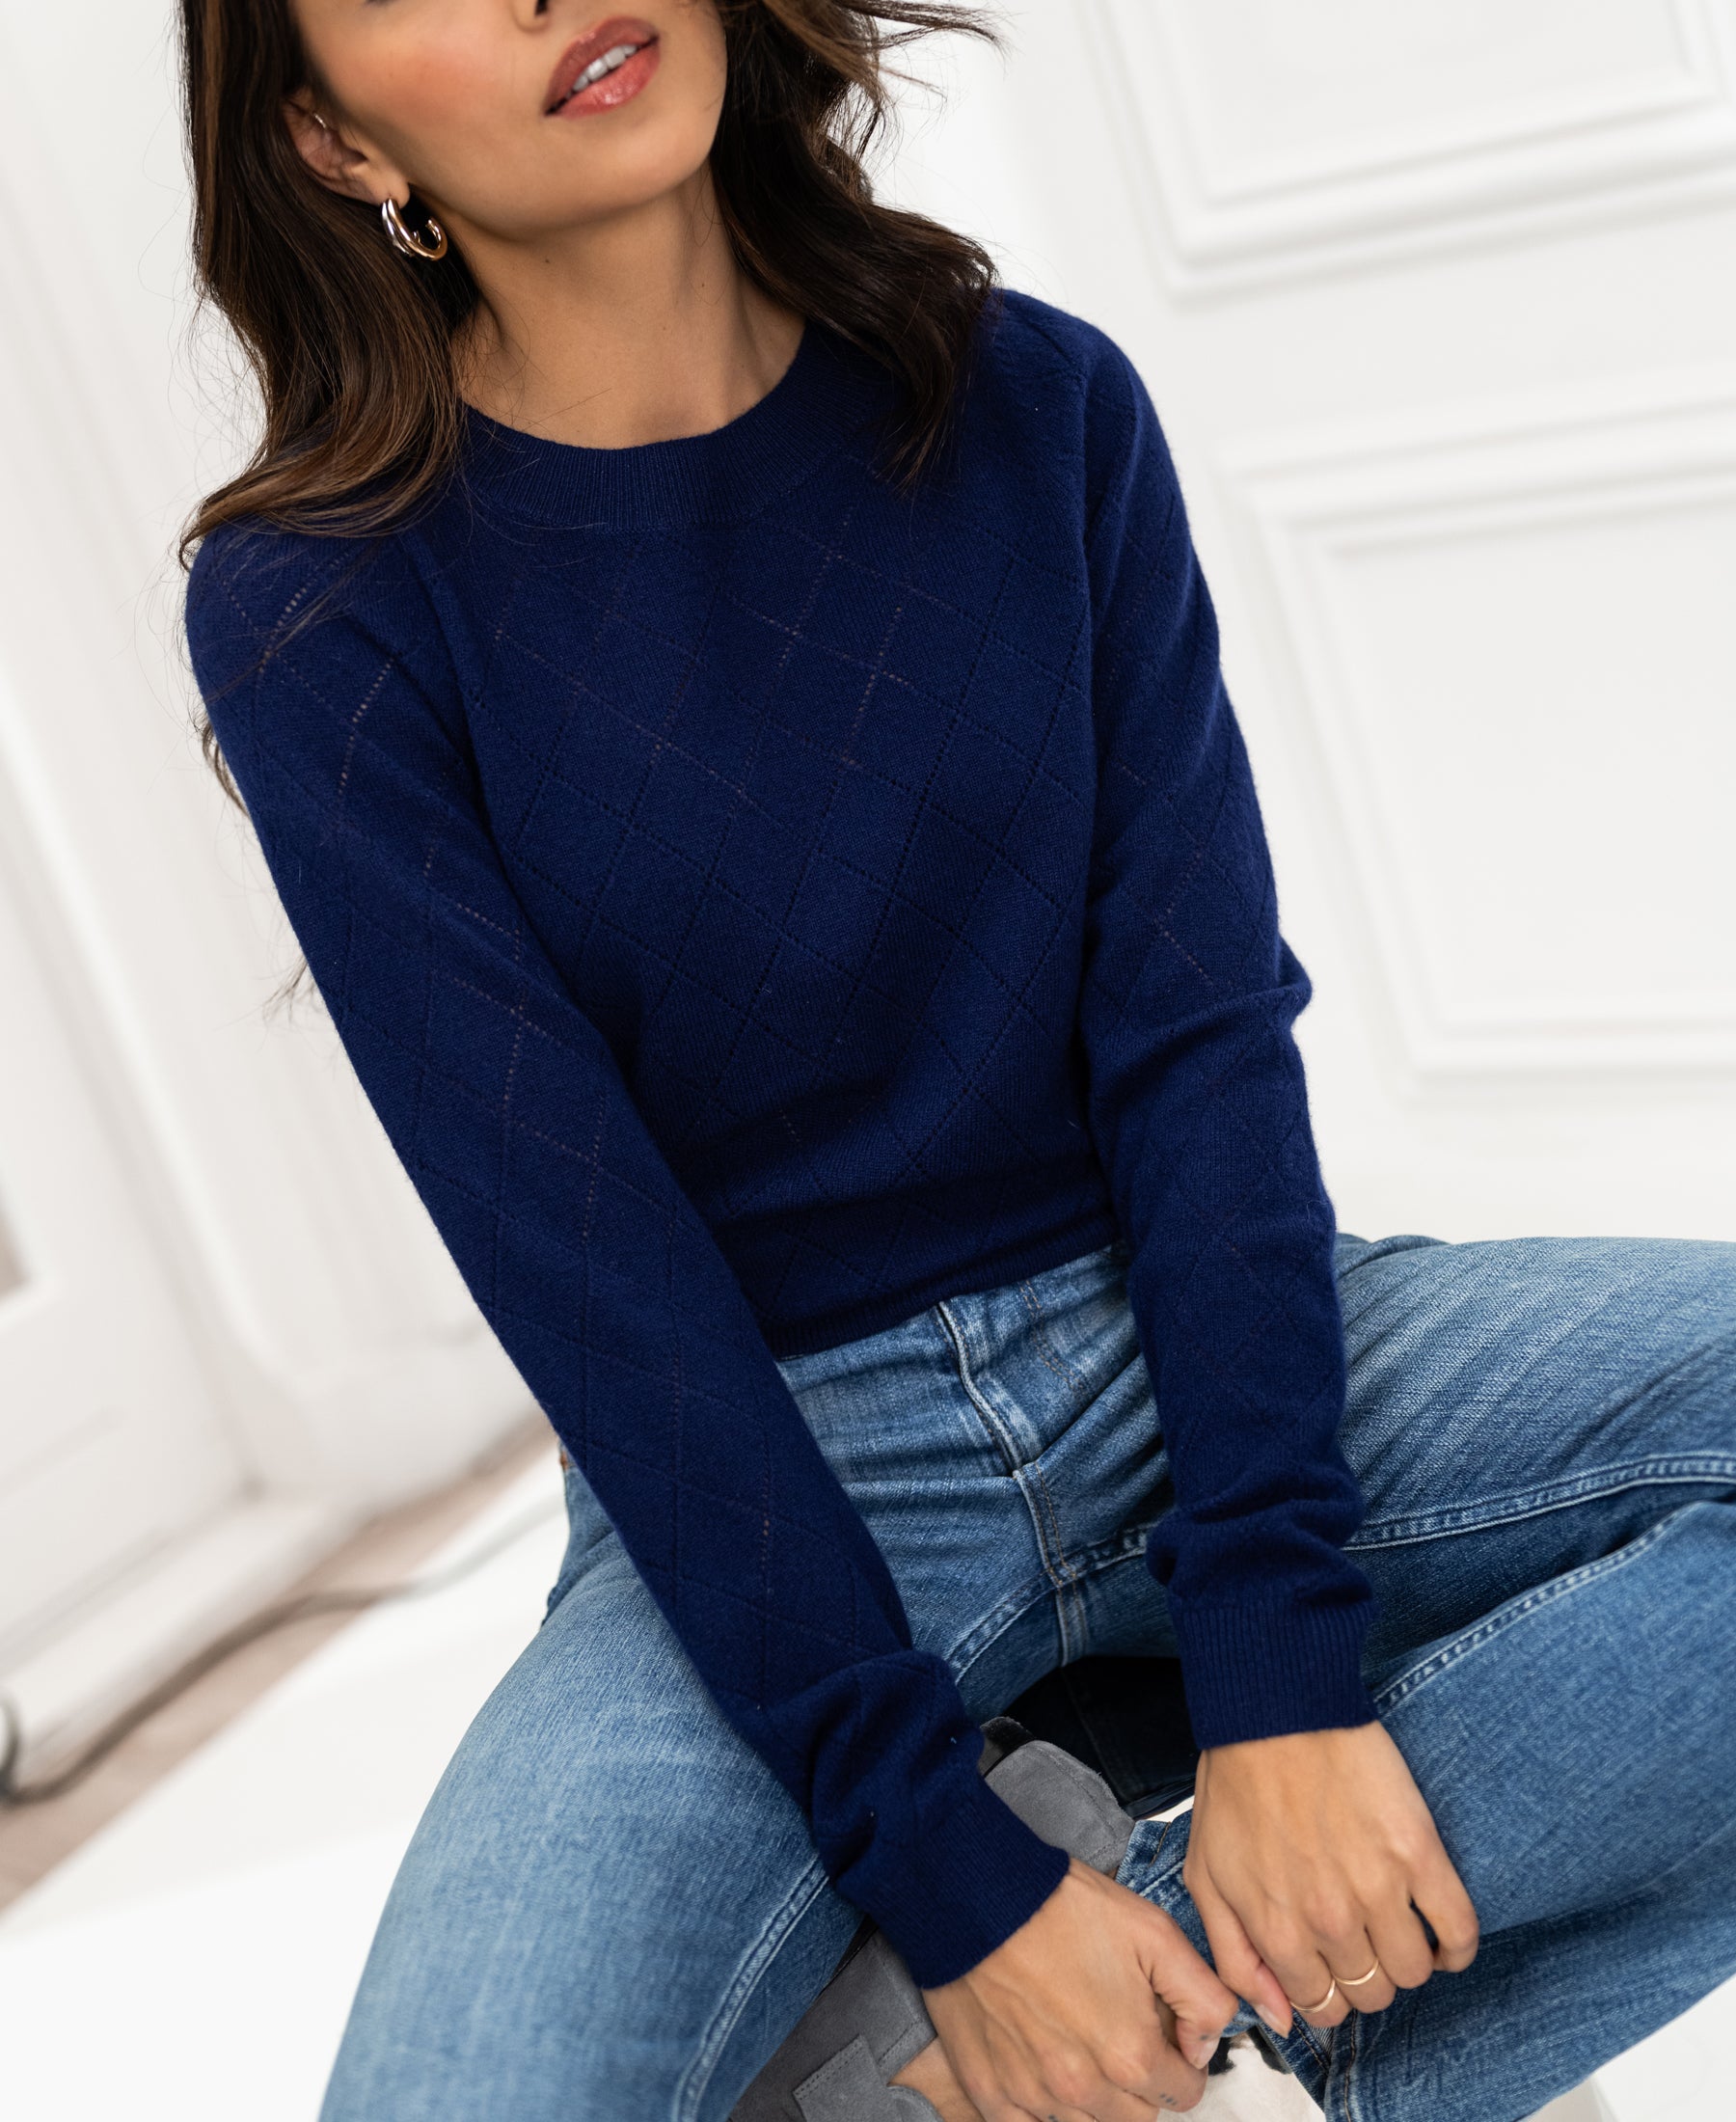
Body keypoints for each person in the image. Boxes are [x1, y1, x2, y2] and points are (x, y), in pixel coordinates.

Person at [176, 3, 1736, 2117]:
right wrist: (956, 1878)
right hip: (758, 1459)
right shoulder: (319, 606)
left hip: (1167, 1329)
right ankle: (1182, 2036)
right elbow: (588, 1273)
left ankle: (1138, 2043)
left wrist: (1281, 1678)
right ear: (335, 140)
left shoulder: (1036, 408)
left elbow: (1197, 1047)